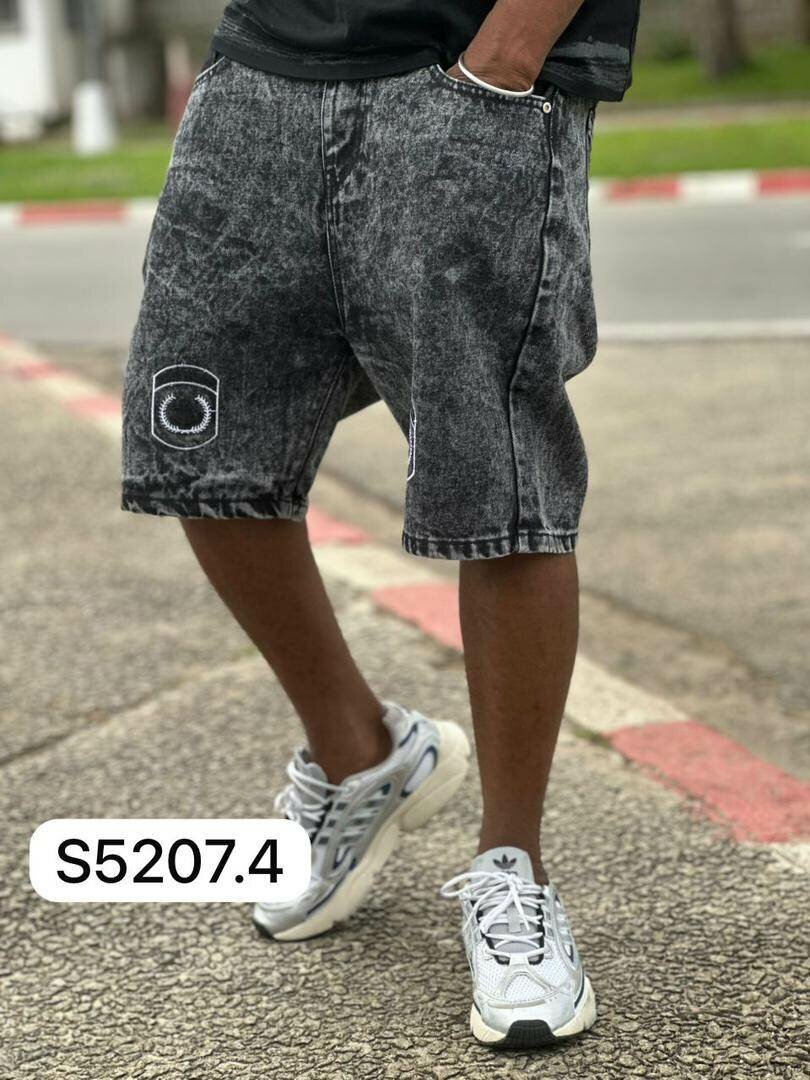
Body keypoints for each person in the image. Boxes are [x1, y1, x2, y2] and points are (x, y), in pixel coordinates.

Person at [122, 0, 640, 1049]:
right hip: (260, 72)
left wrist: (505, 60)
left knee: (496, 468)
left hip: (470, 71)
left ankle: (513, 872)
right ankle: (360, 752)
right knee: (194, 443)